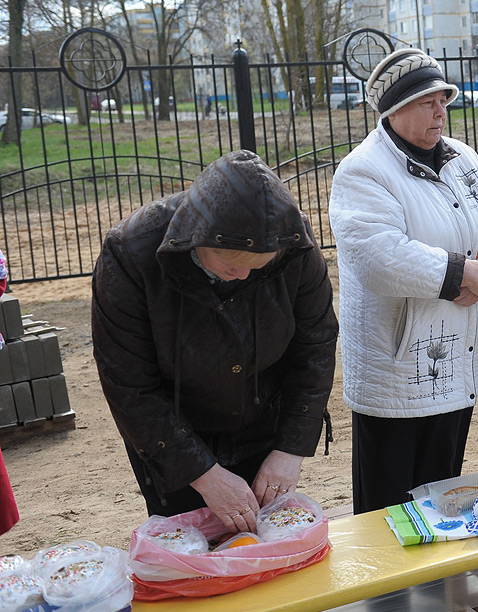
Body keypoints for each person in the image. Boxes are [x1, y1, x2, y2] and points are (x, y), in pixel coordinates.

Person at [329, 48, 478, 612]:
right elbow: (377, 254)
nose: (441, 108)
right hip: (395, 361)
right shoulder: (364, 171)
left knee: (441, 475)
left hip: (456, 350)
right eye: (427, 99)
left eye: (443, 97)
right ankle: (389, 603)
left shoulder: (462, 157)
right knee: (388, 489)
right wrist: (460, 272)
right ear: (393, 109)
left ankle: (435, 575)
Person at [92, 150, 338, 531]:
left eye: (258, 268)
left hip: (263, 418)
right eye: (229, 266)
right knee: (193, 552)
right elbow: (128, 383)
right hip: (174, 431)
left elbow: (316, 345)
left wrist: (291, 448)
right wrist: (203, 474)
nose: (242, 277)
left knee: (264, 545)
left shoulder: (293, 243)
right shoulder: (130, 252)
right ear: (196, 239)